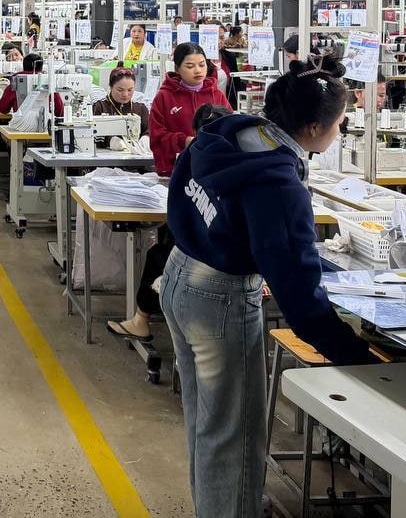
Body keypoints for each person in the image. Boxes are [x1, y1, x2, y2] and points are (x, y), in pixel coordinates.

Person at [160, 56, 376, 518]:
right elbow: (299, 299)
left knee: (208, 423)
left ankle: (217, 508)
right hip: (218, 301)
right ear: (315, 128)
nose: (341, 130)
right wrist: (357, 357)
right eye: (340, 122)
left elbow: (182, 194)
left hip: (180, 275)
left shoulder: (230, 132)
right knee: (235, 436)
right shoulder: (278, 184)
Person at [107, 103, 231, 344]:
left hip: (206, 265)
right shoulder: (247, 162)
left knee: (159, 254)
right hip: (240, 266)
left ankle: (141, 320)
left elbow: (178, 215)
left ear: (196, 133)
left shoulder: (192, 159)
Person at [149, 42, 232, 176]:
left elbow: (231, 128)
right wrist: (183, 141)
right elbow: (156, 137)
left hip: (212, 171)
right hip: (175, 171)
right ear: (177, 68)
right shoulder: (164, 97)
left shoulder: (217, 95)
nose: (198, 70)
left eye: (202, 64)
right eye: (190, 66)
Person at [93, 67, 150, 137]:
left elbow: (150, 130)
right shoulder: (100, 107)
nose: (125, 94)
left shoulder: (140, 109)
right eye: (120, 90)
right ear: (110, 87)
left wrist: (146, 138)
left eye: (130, 90)